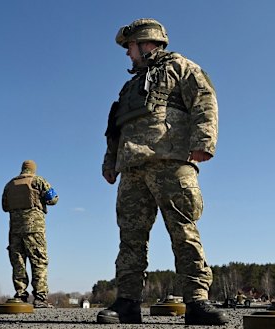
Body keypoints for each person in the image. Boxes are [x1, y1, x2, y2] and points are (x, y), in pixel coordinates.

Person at [97, 18, 228, 325]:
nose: (128, 55)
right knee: (130, 239)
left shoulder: (180, 67)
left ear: (146, 42)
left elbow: (204, 100)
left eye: (130, 48)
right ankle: (127, 302)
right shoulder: (129, 85)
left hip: (171, 162)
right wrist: (110, 162)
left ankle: (197, 302)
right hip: (132, 168)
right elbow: (115, 128)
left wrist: (204, 142)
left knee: (183, 231)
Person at [2, 160, 59, 308]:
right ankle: (40, 297)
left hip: (15, 229)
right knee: (39, 260)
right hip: (34, 228)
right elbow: (53, 199)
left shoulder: (10, 184)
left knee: (18, 262)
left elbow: (4, 206)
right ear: (33, 169)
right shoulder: (38, 181)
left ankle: (20, 295)